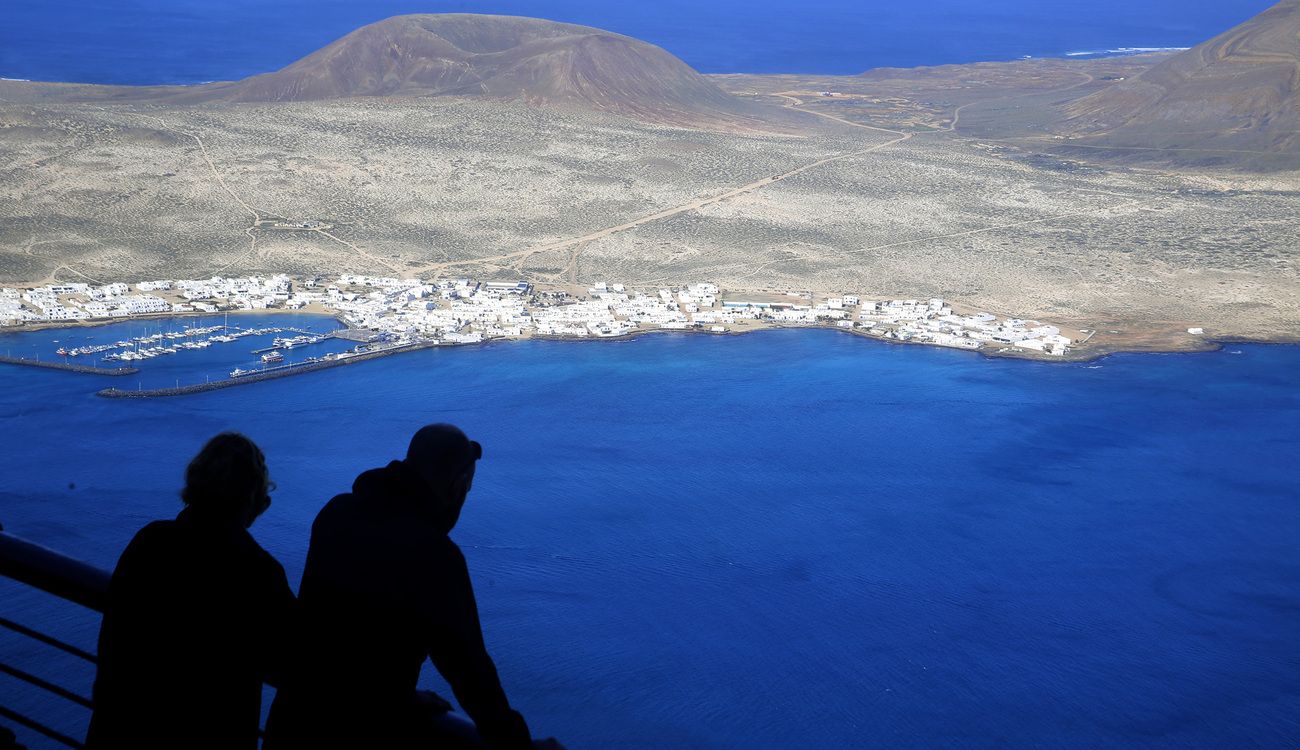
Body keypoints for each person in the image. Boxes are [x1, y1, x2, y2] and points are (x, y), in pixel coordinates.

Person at [266, 424, 561, 749]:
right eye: (468, 488)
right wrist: (520, 745)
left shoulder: (335, 514)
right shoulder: (434, 556)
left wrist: (401, 696)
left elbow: (341, 642)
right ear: (456, 485)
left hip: (292, 725)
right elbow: (471, 675)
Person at [86, 433, 294, 750]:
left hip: (119, 732)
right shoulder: (259, 573)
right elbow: (293, 661)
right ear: (253, 498)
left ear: (194, 485)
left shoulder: (149, 543)